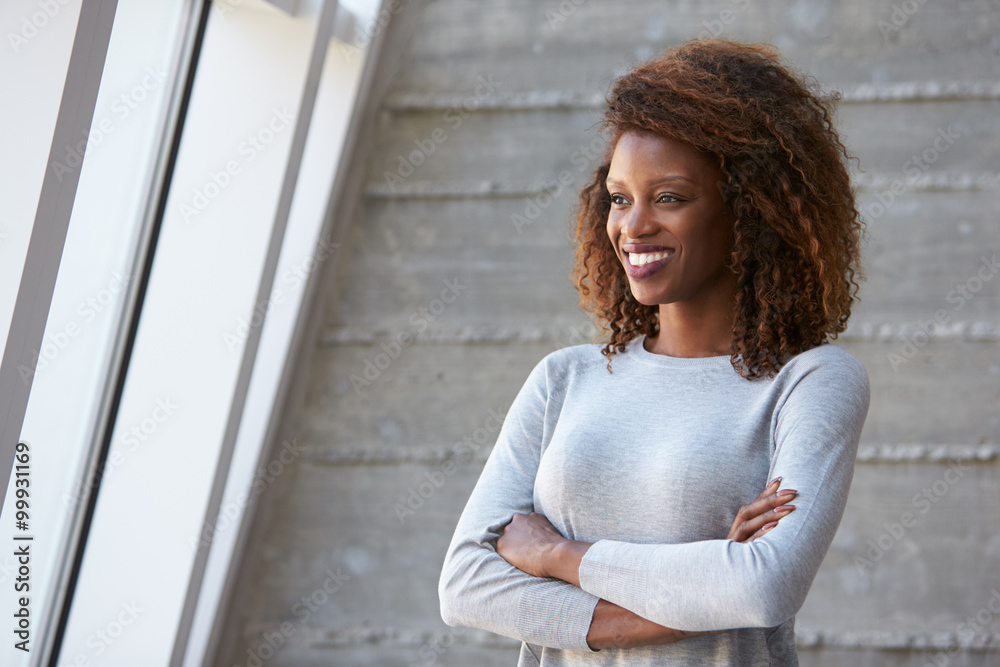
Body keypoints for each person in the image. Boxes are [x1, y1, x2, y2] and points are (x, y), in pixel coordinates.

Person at [438, 38, 870, 666]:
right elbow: (466, 587)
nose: (633, 226)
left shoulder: (811, 381)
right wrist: (695, 587)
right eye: (619, 198)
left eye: (669, 197)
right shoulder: (565, 378)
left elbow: (761, 586)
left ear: (749, 209)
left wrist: (557, 557)